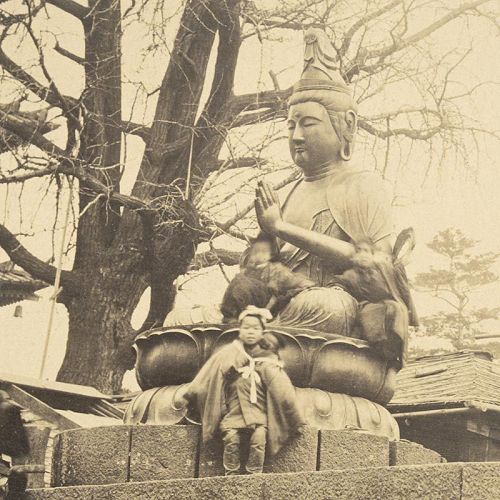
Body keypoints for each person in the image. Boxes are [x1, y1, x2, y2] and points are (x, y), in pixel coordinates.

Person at [254, 28, 417, 363]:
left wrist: (281, 229)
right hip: (280, 315)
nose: (296, 135)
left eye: (309, 124)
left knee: (324, 306)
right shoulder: (287, 194)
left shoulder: (361, 184)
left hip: (336, 315)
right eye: (290, 126)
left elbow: (377, 266)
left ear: (347, 125)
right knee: (186, 320)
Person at [183, 306, 304, 475]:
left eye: (255, 328)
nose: (250, 332)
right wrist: (193, 396)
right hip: (233, 411)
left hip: (258, 413)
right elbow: (208, 376)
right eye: (246, 328)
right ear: (239, 330)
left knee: (259, 439)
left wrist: (295, 418)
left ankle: (254, 472)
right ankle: (231, 473)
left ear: (262, 332)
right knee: (231, 438)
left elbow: (283, 391)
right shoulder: (229, 353)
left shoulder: (267, 359)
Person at [220, 233, 315, 322]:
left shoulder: (276, 269)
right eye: (256, 251)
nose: (259, 255)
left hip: (266, 306)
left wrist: (301, 288)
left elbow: (297, 281)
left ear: (270, 255)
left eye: (263, 252)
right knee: (238, 279)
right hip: (246, 305)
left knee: (241, 281)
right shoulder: (248, 271)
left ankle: (236, 316)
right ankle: (230, 315)